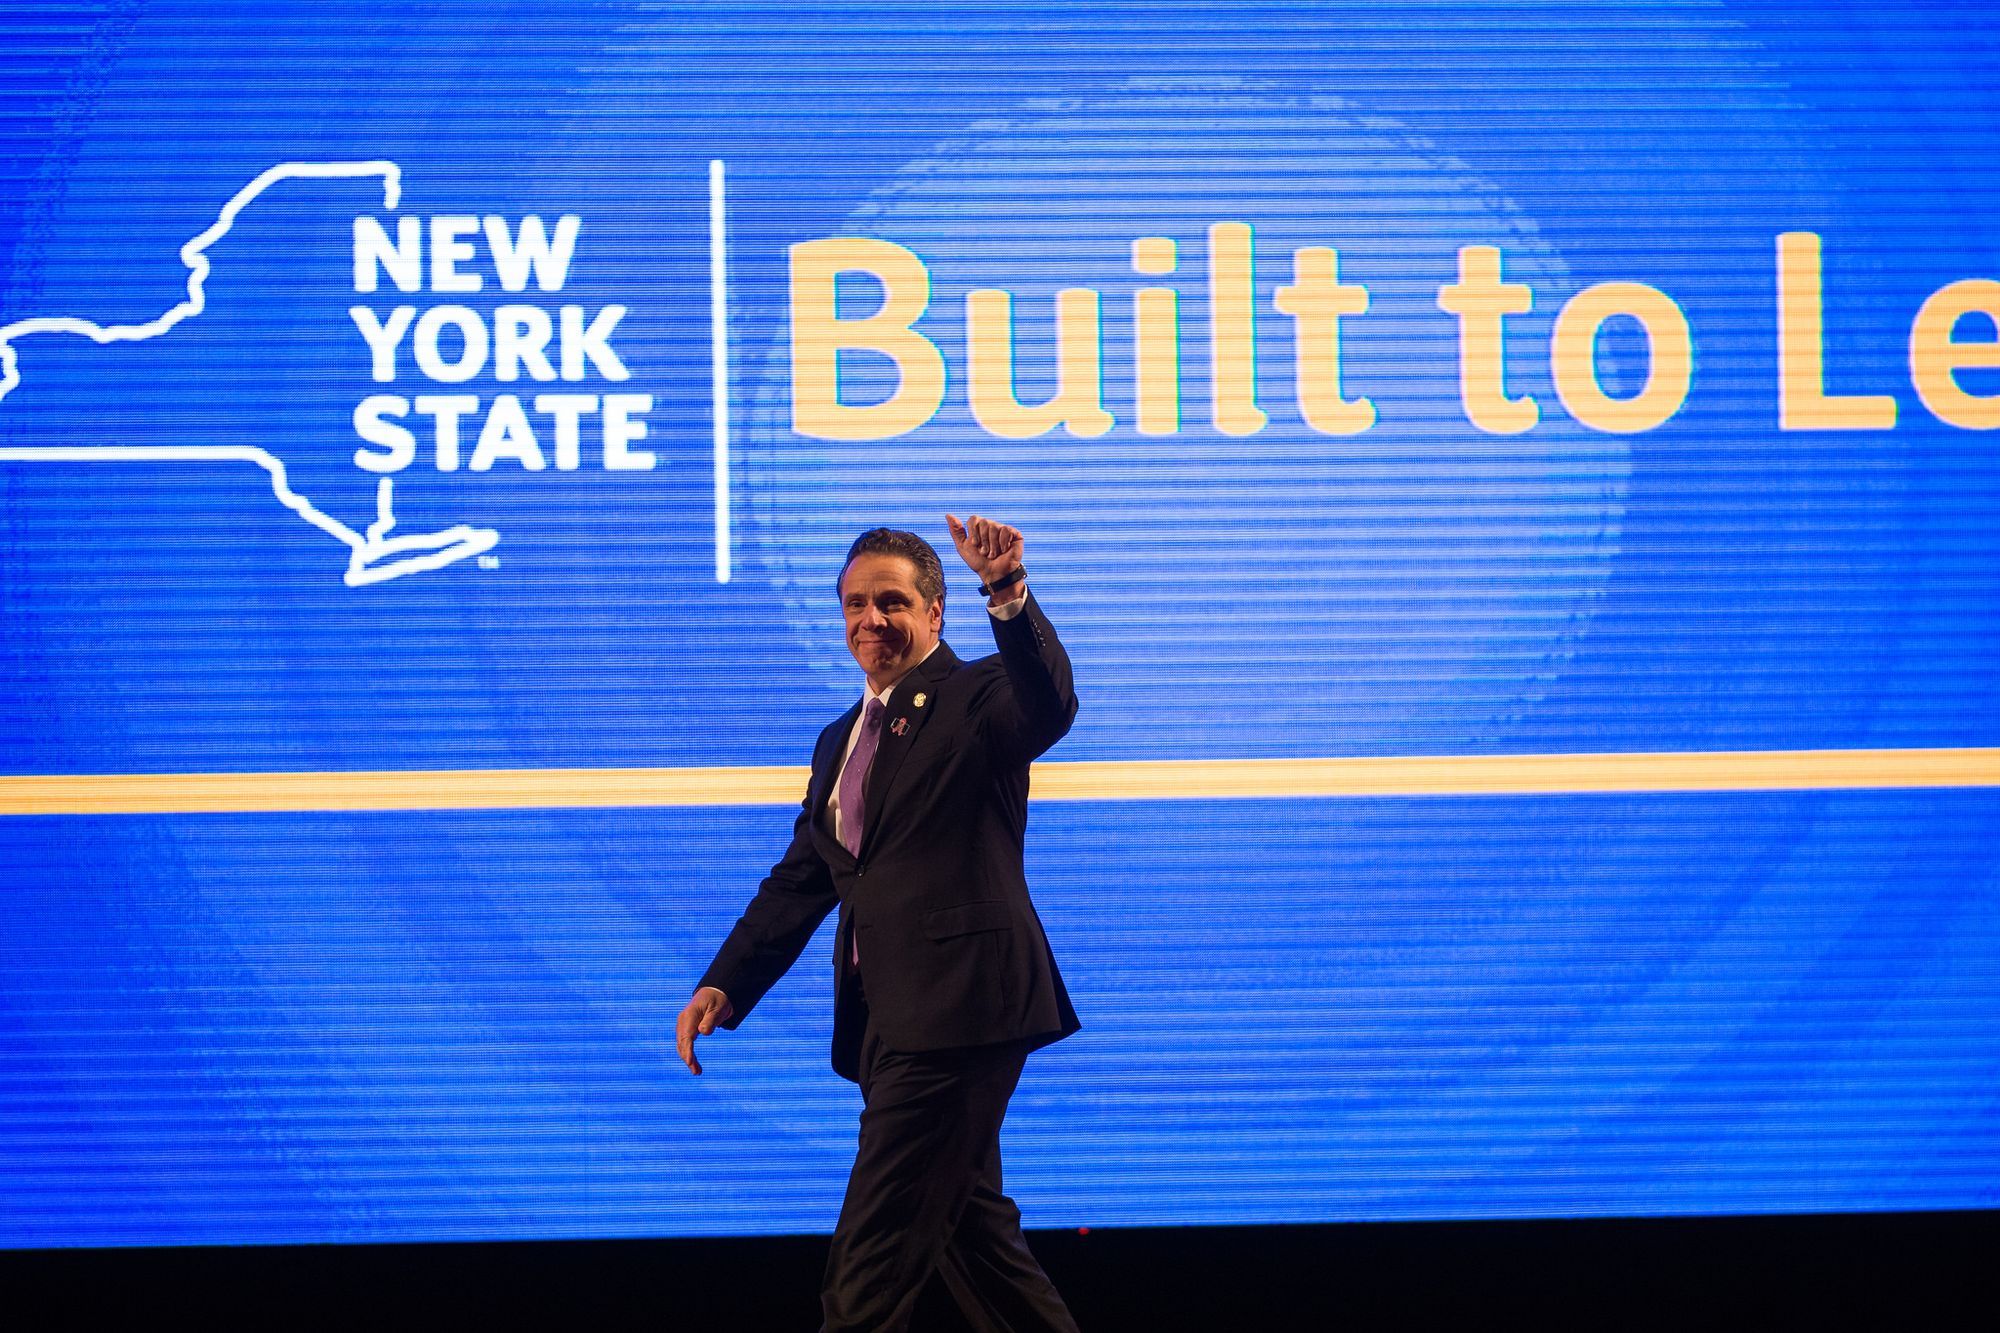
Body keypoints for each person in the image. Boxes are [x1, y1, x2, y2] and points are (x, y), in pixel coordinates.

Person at [676, 514, 1082, 1332]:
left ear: (935, 612)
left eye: (891, 601)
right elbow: (805, 877)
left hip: (959, 1014)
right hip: (891, 1026)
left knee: (866, 1278)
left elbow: (1048, 705)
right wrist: (726, 979)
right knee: (980, 1248)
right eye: (856, 604)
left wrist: (1007, 592)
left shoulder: (976, 696)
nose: (872, 620)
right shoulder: (840, 737)